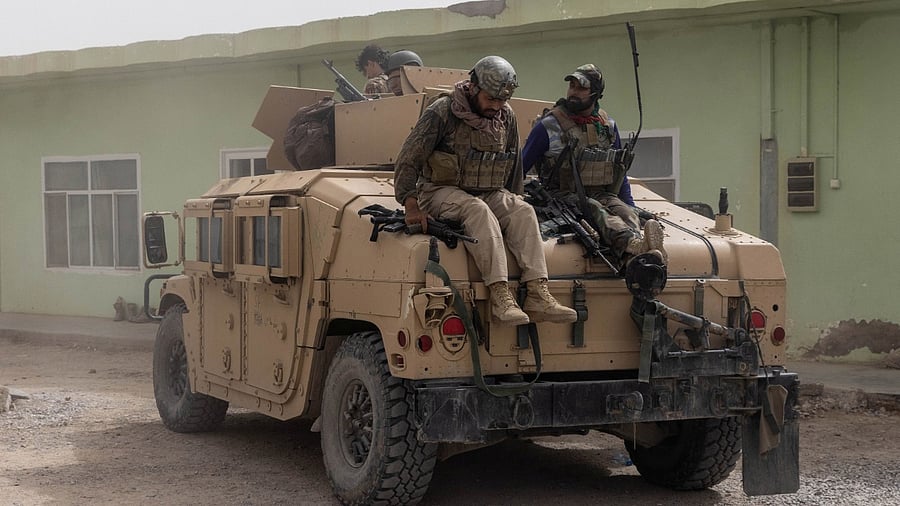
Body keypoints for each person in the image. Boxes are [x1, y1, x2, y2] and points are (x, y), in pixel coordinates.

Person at [394, 56, 577, 326]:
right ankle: (499, 296)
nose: (496, 106)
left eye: (502, 100)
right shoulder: (443, 111)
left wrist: (514, 197)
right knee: (477, 211)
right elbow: (409, 158)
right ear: (473, 87)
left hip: (488, 190)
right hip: (440, 190)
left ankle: (537, 294)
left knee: (523, 212)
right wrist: (411, 206)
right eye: (491, 99)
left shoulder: (505, 116)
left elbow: (513, 163)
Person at [521, 64, 666, 266]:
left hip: (602, 193)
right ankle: (634, 245)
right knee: (596, 209)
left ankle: (636, 256)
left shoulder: (607, 127)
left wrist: (629, 204)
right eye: (572, 86)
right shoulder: (549, 126)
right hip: (562, 195)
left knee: (626, 213)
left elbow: (619, 171)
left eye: (581, 88)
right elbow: (520, 167)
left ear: (595, 94)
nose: (573, 92)